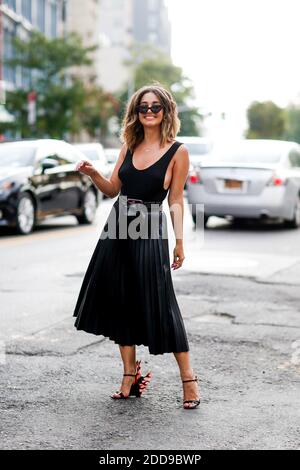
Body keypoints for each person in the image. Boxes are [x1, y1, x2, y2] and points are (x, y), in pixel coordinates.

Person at [73, 83, 200, 409]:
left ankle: (189, 379)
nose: (149, 112)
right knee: (120, 302)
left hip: (150, 229)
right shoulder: (128, 146)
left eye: (155, 107)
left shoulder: (178, 151)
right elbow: (112, 188)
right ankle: (130, 375)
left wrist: (179, 243)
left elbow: (175, 200)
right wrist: (92, 174)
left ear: (166, 111)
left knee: (163, 304)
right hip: (116, 228)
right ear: (135, 112)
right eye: (143, 107)